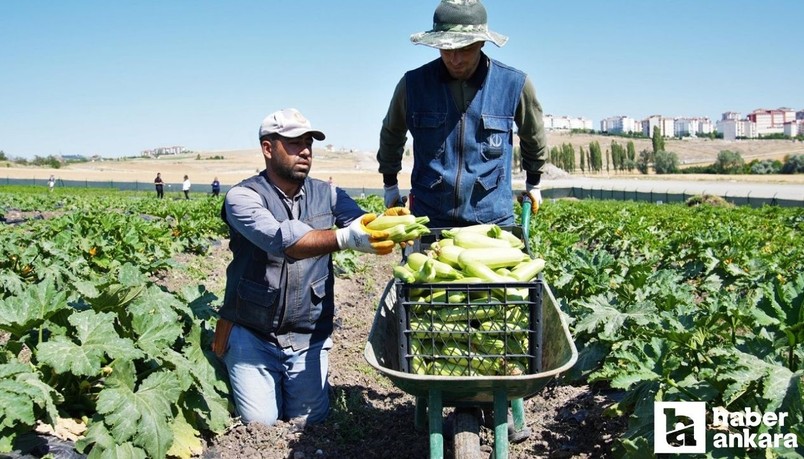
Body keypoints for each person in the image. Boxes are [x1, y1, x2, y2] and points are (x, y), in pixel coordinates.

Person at [212, 108, 400, 428]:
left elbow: (363, 225)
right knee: (261, 424)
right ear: (268, 148)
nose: (306, 151)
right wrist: (345, 238)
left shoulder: (328, 194)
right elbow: (284, 242)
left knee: (309, 425)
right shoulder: (243, 197)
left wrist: (395, 225)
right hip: (253, 334)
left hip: (307, 335)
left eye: (309, 143)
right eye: (294, 143)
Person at [376, 0, 547, 228]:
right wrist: (390, 185)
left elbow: (532, 136)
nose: (454, 59)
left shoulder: (514, 85)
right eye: (446, 49)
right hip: (429, 216)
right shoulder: (413, 85)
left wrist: (533, 183)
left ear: (481, 43)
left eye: (465, 49)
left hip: (492, 217)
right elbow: (392, 133)